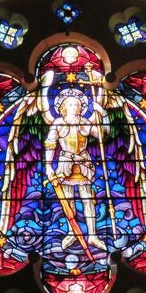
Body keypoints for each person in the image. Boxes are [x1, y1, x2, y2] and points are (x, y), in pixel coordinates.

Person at [44, 92, 108, 251]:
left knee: (88, 199)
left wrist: (103, 113)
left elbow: (103, 135)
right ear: (63, 107)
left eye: (77, 105)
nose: (75, 107)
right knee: (68, 200)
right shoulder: (58, 124)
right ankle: (72, 232)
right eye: (71, 104)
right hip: (65, 164)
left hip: (84, 163)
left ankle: (92, 236)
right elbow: (50, 145)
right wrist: (48, 166)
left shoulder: (84, 122)